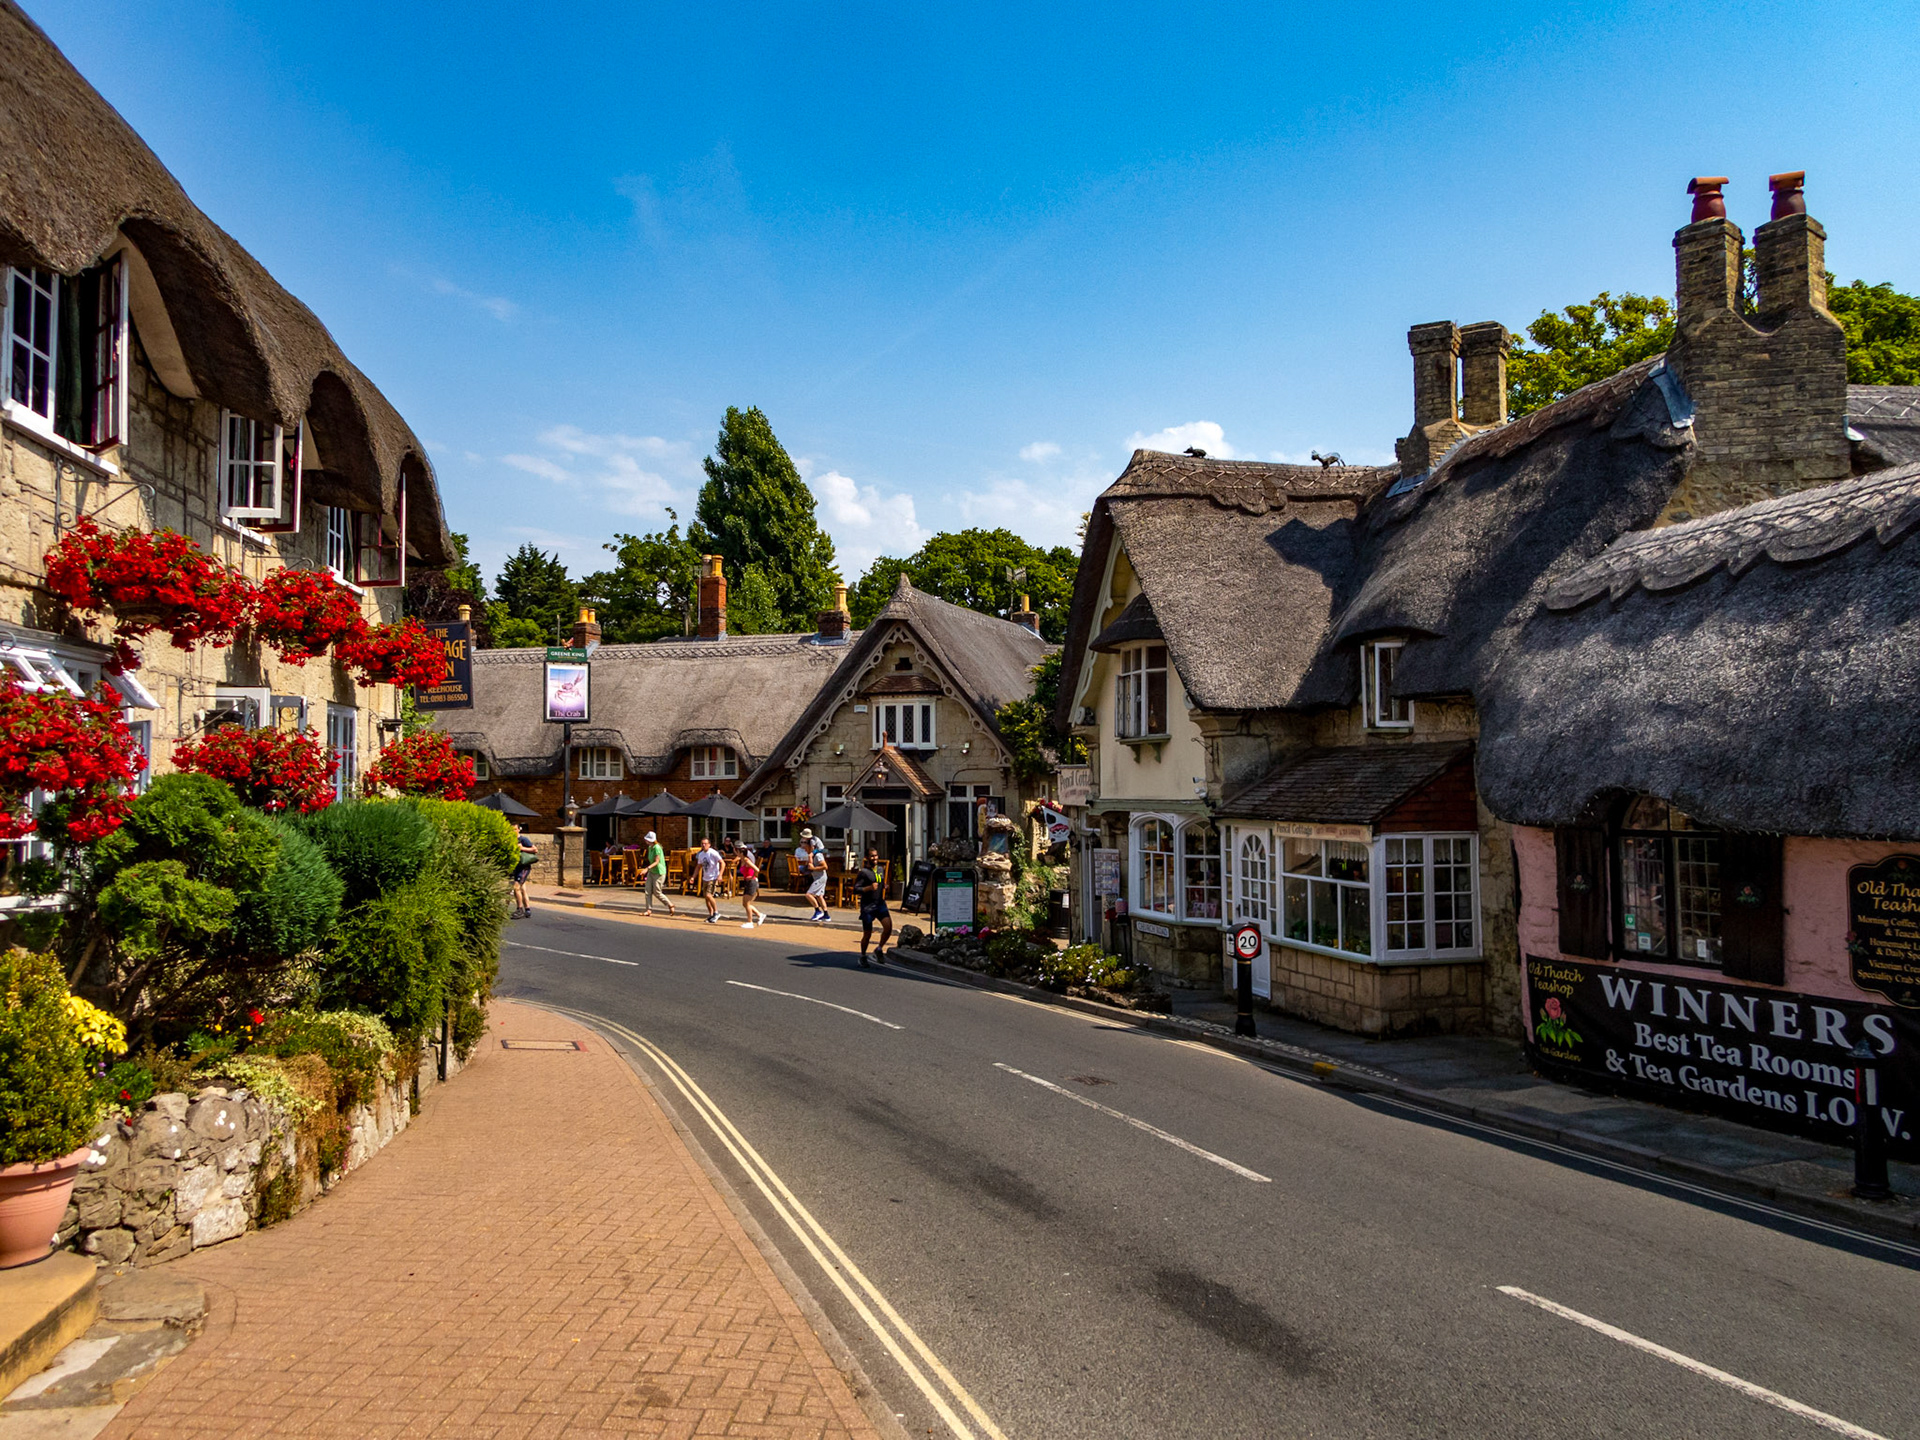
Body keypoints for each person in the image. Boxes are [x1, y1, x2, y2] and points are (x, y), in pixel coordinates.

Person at [854, 846, 891, 965]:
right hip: (867, 906)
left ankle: (879, 948)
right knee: (867, 934)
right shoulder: (863, 873)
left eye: (876, 855)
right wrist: (869, 888)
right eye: (872, 856)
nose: (875, 858)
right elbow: (856, 889)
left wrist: (884, 886)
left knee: (888, 927)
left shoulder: (880, 869)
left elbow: (881, 881)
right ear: (867, 858)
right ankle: (863, 955)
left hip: (879, 903)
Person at [799, 827, 831, 923]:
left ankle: (818, 911)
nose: (804, 849)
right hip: (818, 877)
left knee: (809, 894)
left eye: (805, 847)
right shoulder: (812, 855)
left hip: (820, 878)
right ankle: (826, 915)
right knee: (820, 896)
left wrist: (813, 868)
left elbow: (825, 866)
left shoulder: (818, 855)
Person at [640, 830, 674, 917]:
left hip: (659, 872)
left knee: (657, 892)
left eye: (647, 839)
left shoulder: (657, 848)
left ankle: (670, 904)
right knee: (648, 890)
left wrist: (647, 868)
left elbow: (657, 861)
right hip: (652, 871)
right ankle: (648, 909)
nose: (646, 841)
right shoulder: (650, 847)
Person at [693, 835, 726, 923]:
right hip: (705, 877)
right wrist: (693, 877)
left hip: (713, 876)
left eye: (705, 844)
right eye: (702, 844)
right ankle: (711, 915)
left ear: (709, 845)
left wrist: (720, 875)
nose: (704, 845)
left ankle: (716, 912)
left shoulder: (713, 853)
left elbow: (722, 863)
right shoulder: (701, 854)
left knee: (709, 895)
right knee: (706, 897)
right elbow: (698, 866)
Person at [510, 823, 536, 918]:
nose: (513, 831)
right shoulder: (511, 840)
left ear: (518, 830)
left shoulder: (523, 839)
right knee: (523, 889)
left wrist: (522, 848)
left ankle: (519, 909)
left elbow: (535, 850)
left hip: (524, 867)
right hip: (516, 867)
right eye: (511, 830)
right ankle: (527, 909)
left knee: (516, 887)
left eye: (514, 829)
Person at [738, 843, 765, 928]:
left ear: (741, 853)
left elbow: (757, 869)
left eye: (738, 852)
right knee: (745, 903)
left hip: (751, 882)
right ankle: (760, 915)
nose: (736, 854)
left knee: (747, 903)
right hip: (747, 882)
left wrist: (753, 877)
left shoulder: (746, 860)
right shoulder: (742, 860)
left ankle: (750, 922)